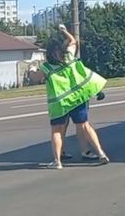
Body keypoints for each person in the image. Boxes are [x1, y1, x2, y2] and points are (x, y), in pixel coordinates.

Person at [37, 25, 109, 169]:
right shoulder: (69, 57)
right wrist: (64, 31)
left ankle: (57, 161)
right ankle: (101, 154)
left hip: (60, 103)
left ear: (49, 53)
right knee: (84, 125)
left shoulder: (46, 67)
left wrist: (33, 71)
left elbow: (37, 78)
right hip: (77, 99)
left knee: (57, 130)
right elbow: (73, 41)